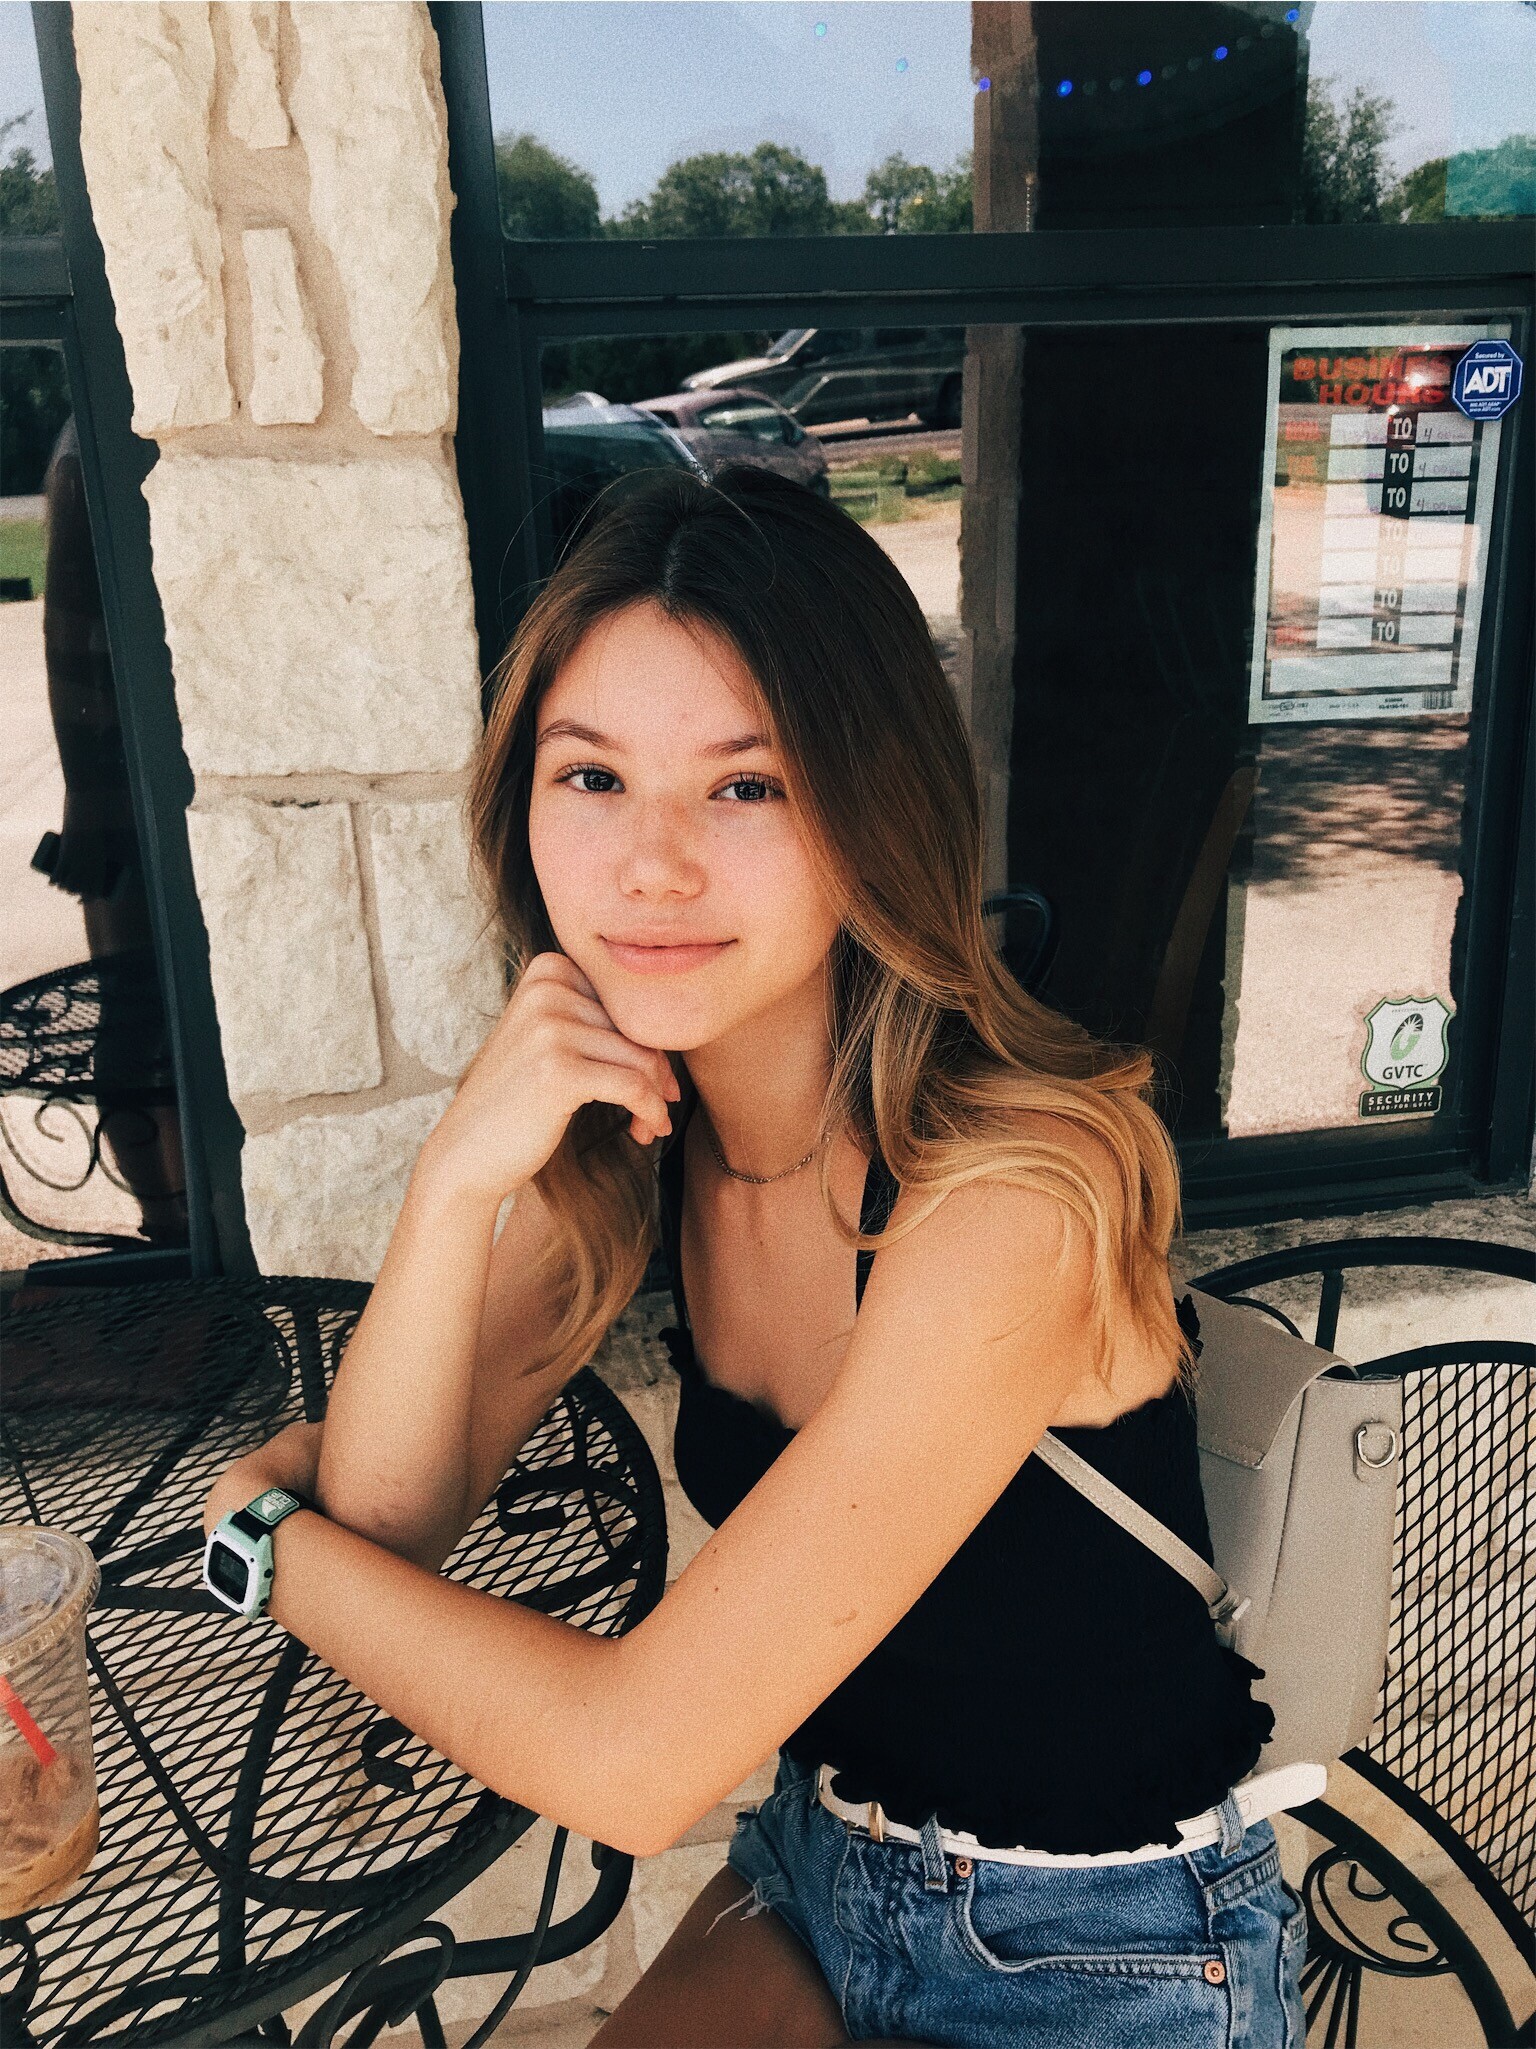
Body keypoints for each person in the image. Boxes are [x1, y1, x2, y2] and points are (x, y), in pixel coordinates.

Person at [203, 464, 1307, 2047]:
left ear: (872, 813)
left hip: (1099, 1944)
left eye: (748, 786)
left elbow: (633, 1762)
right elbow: (390, 1515)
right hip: (822, 1856)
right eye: (592, 775)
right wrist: (454, 1180)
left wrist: (265, 1546)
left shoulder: (1008, 1197)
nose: (651, 863)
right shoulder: (640, 1133)